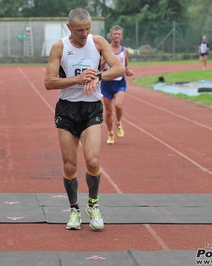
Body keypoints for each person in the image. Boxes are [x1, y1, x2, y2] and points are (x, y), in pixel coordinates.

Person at [44, 8, 124, 231]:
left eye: (88, 28)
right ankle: (74, 211)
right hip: (67, 109)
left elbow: (119, 68)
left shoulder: (97, 42)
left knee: (92, 161)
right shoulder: (60, 47)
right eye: (80, 30)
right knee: (70, 166)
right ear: (69, 27)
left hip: (91, 109)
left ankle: (93, 205)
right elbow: (49, 82)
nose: (84, 33)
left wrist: (97, 76)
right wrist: (77, 79)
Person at [100, 25, 133, 145]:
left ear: (122, 36)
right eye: (115, 34)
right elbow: (101, 67)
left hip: (119, 82)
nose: (117, 36)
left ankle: (118, 122)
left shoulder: (125, 51)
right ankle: (110, 133)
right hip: (106, 83)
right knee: (108, 112)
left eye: (119, 34)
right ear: (111, 36)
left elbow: (125, 67)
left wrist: (128, 71)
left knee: (118, 105)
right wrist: (106, 58)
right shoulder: (105, 49)